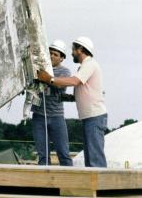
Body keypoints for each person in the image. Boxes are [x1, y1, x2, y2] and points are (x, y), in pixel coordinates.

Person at [37, 36, 107, 167]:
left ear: (80, 49)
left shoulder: (89, 64)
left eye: (73, 49)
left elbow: (75, 81)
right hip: (90, 117)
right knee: (91, 158)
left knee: (94, 158)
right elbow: (81, 93)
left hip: (94, 117)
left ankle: (100, 186)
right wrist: (65, 97)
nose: (72, 53)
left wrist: (49, 79)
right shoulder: (85, 66)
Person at [31, 39, 73, 166]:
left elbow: (61, 86)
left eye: (56, 54)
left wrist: (46, 78)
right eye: (50, 53)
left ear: (61, 58)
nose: (52, 56)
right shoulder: (37, 68)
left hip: (56, 117)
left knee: (63, 153)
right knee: (43, 155)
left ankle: (69, 182)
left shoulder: (65, 72)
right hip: (39, 116)